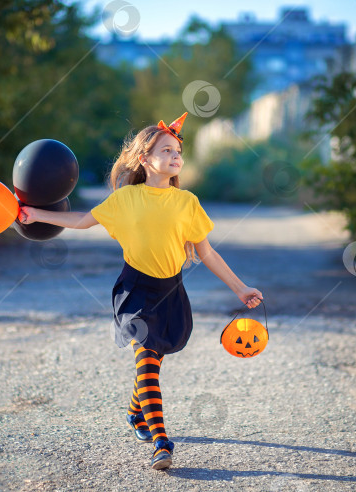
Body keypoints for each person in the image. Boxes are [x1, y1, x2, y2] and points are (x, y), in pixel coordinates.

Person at [18, 112, 263, 470]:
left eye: (178, 150)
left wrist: (240, 288)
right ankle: (161, 441)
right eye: (166, 149)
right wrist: (37, 215)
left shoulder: (187, 203)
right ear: (145, 159)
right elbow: (83, 221)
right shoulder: (125, 199)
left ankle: (136, 413)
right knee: (147, 359)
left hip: (171, 292)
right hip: (134, 290)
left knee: (152, 361)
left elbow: (207, 252)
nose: (175, 155)